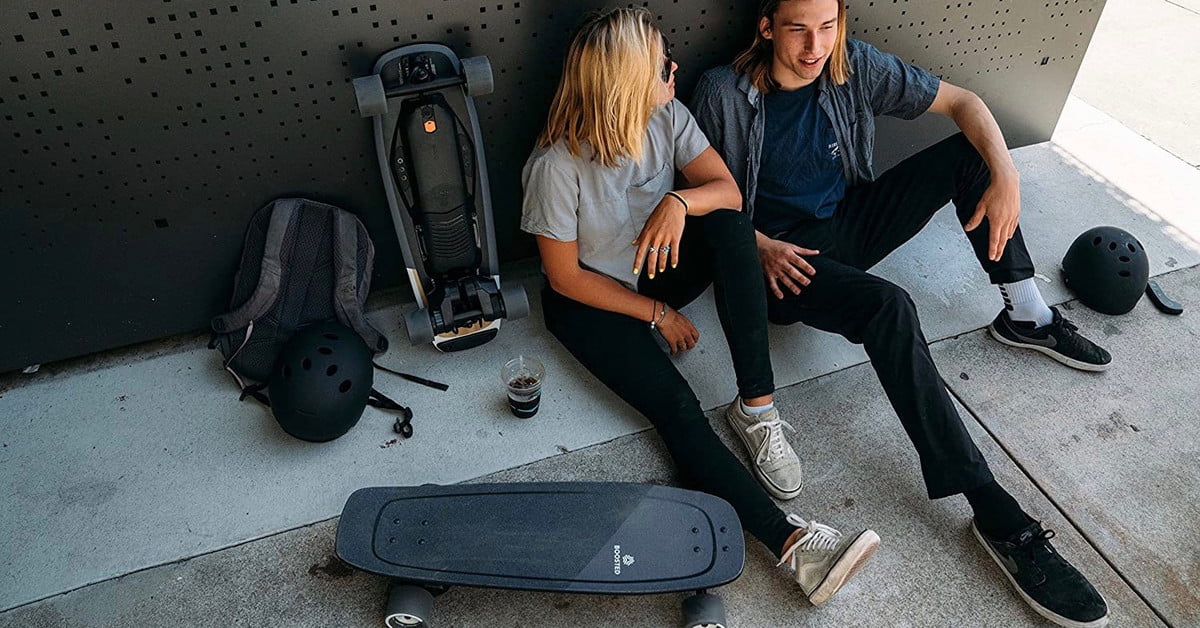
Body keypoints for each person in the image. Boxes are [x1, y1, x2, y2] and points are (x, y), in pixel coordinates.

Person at [690, 1, 1111, 626]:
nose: (815, 47)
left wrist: (1007, 175)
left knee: (970, 154)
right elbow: (699, 192)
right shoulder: (722, 93)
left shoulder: (851, 64)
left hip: (845, 226)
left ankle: (1025, 311)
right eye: (799, 29)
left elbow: (965, 103)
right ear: (767, 26)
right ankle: (993, 509)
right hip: (777, 263)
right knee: (890, 306)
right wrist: (757, 246)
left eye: (827, 27)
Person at [521, 7, 878, 605]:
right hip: (592, 301)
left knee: (731, 226)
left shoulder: (667, 114)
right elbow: (564, 278)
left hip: (658, 267)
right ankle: (794, 546)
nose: (675, 67)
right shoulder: (555, 166)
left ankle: (757, 407)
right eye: (662, 63)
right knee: (678, 410)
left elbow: (728, 193)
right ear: (627, 82)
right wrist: (657, 316)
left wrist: (681, 203)